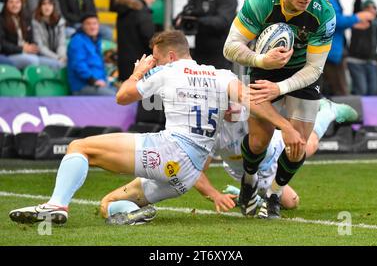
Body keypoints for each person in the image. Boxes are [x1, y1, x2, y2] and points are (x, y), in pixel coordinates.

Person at [9, 30, 304, 226]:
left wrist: (139, 72)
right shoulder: (220, 75)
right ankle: (135, 216)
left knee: (80, 147)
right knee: (106, 205)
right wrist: (285, 127)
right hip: (187, 175)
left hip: (169, 152)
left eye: (156, 57)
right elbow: (253, 100)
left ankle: (57, 205)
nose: (154, 62)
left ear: (171, 56)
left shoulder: (167, 70)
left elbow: (122, 96)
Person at [223, 0, 337, 219]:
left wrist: (281, 88)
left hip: (302, 74)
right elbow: (230, 47)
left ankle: (274, 195)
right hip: (264, 67)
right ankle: (249, 182)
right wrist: (261, 59)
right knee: (259, 140)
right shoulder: (261, 1)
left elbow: (314, 69)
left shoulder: (325, 13)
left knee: (298, 144)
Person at [193, 98, 359, 214]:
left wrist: (289, 129)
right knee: (291, 202)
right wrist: (215, 195)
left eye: (233, 100)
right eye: (225, 103)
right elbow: (196, 169)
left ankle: (329, 110)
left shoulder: (250, 108)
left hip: (273, 151)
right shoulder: (212, 129)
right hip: (246, 172)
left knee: (310, 145)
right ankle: (247, 196)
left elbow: (278, 116)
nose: (231, 106)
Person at [175, 0, 237, 70]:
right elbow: (185, 14)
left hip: (221, 53)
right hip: (200, 52)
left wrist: (198, 21)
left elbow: (223, 22)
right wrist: (180, 20)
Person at [322, 0, 374, 96]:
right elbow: (335, 21)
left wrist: (353, 23)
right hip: (331, 53)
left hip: (333, 51)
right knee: (341, 93)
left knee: (334, 91)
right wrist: (357, 17)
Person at [0, 0, 61, 69]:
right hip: (10, 55)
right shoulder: (1, 20)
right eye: (11, 2)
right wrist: (21, 48)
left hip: (28, 53)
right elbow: (2, 44)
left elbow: (32, 39)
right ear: (6, 5)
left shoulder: (26, 19)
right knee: (32, 60)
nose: (14, 5)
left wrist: (32, 47)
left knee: (56, 64)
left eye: (17, 2)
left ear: (21, 5)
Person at [112, 0, 156, 82]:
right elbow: (149, 39)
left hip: (124, 65)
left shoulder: (123, 10)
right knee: (145, 98)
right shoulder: (141, 12)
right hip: (141, 66)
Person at [67, 13, 116, 95]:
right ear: (83, 26)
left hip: (99, 84)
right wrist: (93, 80)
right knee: (115, 97)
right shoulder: (77, 41)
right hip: (83, 86)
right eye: (88, 24)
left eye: (95, 23)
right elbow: (78, 65)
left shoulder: (96, 41)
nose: (92, 27)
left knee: (125, 94)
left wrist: (105, 81)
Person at [32, 0, 67, 69]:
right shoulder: (35, 22)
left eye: (50, 4)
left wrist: (62, 56)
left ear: (54, 7)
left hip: (57, 55)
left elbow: (61, 43)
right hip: (41, 55)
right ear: (40, 7)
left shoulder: (60, 22)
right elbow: (40, 47)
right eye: (44, 4)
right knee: (58, 65)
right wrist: (57, 57)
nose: (47, 7)